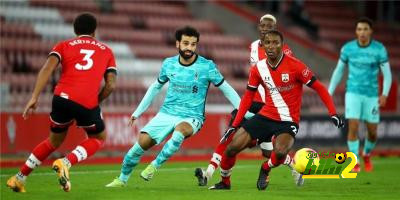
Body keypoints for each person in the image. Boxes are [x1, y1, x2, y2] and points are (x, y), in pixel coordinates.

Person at [105, 26, 247, 187]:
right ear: (177, 44)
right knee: (138, 147)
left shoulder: (206, 66)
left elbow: (226, 88)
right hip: (167, 113)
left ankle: (154, 166)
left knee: (179, 133)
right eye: (186, 43)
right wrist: (138, 112)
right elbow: (155, 87)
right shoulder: (169, 64)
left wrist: (243, 111)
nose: (189, 48)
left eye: (193, 44)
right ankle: (121, 179)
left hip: (192, 116)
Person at [215, 30, 344, 190]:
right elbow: (248, 97)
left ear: (282, 45)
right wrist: (234, 125)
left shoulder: (296, 66)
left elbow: (319, 88)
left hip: (288, 120)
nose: (271, 46)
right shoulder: (258, 69)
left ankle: (265, 168)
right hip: (266, 115)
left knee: (281, 151)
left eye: (275, 42)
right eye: (267, 42)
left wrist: (332, 113)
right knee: (232, 148)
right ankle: (225, 182)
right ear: (263, 45)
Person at [6, 13, 117, 193]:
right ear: (94, 31)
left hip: (61, 99)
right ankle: (66, 162)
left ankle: (19, 178)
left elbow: (47, 68)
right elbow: (111, 84)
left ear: (75, 30)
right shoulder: (106, 51)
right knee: (98, 138)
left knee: (53, 141)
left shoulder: (63, 45)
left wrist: (34, 97)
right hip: (86, 102)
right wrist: (93, 103)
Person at [195, 14, 301, 190]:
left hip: (269, 108)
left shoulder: (285, 51)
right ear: (259, 27)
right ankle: (209, 173)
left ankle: (295, 167)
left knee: (268, 151)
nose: (265, 29)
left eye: (270, 26)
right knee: (230, 135)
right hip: (251, 102)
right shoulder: (252, 46)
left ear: (275, 30)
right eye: (263, 26)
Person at [328, 17, 392, 172]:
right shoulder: (348, 49)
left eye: (365, 29)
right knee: (353, 126)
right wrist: (328, 92)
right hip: (353, 93)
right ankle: (355, 161)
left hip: (371, 96)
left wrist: (384, 94)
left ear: (371, 31)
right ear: (356, 32)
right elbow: (339, 71)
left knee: (372, 132)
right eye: (359, 29)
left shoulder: (379, 49)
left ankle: (367, 154)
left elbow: (387, 74)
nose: (362, 32)